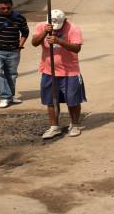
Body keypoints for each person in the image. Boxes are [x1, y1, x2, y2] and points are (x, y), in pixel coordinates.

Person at [31, 9, 86, 139]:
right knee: (51, 100)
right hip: (48, 71)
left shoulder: (73, 28)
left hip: (70, 71)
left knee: (72, 100)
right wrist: (45, 32)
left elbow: (77, 48)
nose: (56, 28)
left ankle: (74, 124)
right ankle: (54, 126)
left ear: (65, 20)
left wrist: (59, 41)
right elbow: (34, 43)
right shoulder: (41, 26)